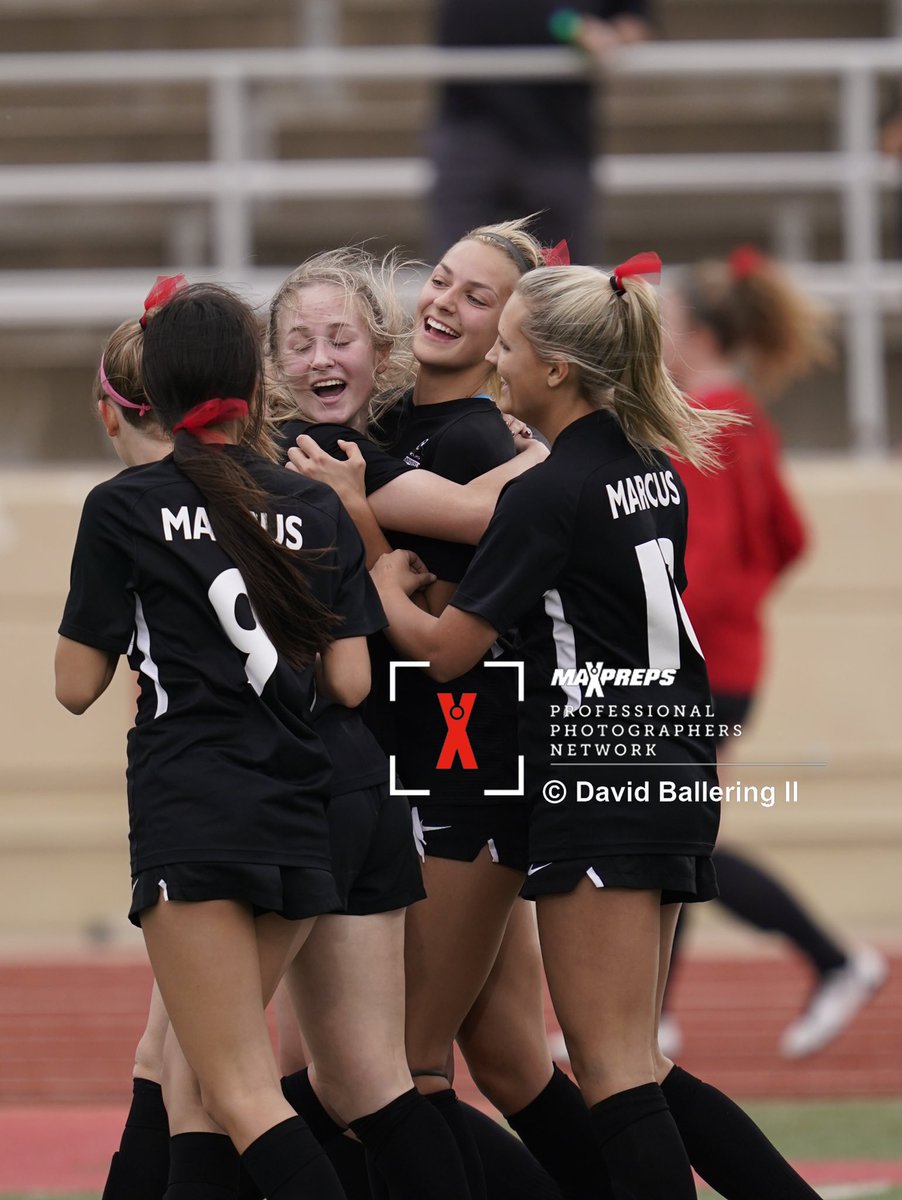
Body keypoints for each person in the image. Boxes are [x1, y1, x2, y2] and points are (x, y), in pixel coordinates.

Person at [371, 256, 825, 1199]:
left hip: (597, 770)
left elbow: (448, 651)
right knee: (641, 1064)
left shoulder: (549, 494)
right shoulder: (648, 468)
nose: (494, 366)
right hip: (672, 760)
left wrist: (378, 582)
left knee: (613, 1071)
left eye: (508, 348)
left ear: (558, 370)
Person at [56, 282, 476, 1200]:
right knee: (243, 1084)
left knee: (233, 1091)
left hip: (199, 803)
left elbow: (74, 686)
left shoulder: (124, 505)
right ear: (259, 382)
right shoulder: (311, 502)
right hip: (309, 800)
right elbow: (353, 682)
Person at [269, 232, 600, 1200]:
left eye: (479, 294)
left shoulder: (468, 438)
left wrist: (375, 534)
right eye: (441, 279)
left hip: (457, 762)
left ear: (517, 333)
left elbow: (472, 525)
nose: (445, 299)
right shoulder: (408, 426)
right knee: (505, 1064)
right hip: (428, 760)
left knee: (387, 1073)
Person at [660, 247, 888, 1060]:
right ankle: (656, 1012)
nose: (660, 338)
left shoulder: (711, 421)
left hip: (702, 665)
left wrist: (663, 633)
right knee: (677, 830)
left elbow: (710, 565)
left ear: (697, 330)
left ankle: (831, 959)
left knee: (680, 833)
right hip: (731, 661)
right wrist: (744, 609)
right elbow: (788, 539)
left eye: (668, 324)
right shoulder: (740, 412)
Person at [430, 0, 651, 263]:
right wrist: (567, 23)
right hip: (473, 126)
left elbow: (634, 23)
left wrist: (609, 35)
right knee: (460, 268)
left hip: (558, 135)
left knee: (563, 283)